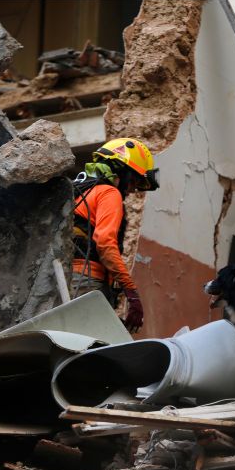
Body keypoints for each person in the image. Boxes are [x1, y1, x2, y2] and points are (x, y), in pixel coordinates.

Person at [70, 138, 160, 333]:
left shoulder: (80, 191)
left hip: (66, 279)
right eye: (134, 181)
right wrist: (131, 292)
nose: (132, 190)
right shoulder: (109, 193)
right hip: (86, 283)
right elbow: (104, 243)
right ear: (122, 171)